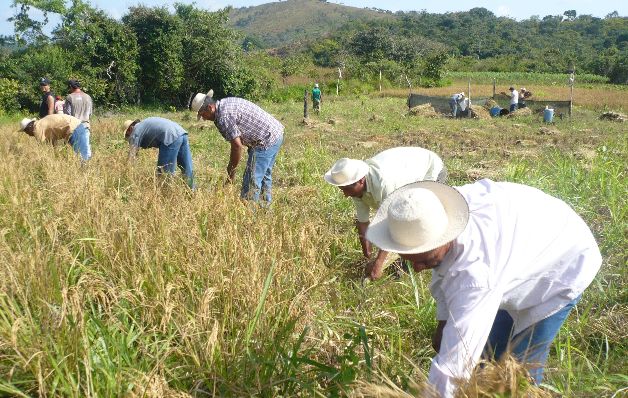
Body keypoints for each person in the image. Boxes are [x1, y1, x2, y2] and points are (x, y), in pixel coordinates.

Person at [365, 179, 602, 398]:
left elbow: (451, 371)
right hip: (522, 241)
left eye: (426, 260)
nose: (417, 269)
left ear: (445, 237)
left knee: (516, 377)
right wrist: (443, 322)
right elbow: (445, 271)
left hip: (563, 262)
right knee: (485, 360)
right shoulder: (436, 215)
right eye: (410, 260)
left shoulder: (475, 274)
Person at [324, 147, 446, 280]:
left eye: (347, 189)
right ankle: (402, 258)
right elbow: (363, 223)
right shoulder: (354, 186)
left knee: (417, 218)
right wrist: (367, 256)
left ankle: (412, 262)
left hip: (429, 169)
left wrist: (379, 263)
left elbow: (393, 225)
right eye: (342, 190)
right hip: (406, 169)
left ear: (360, 181)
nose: (346, 195)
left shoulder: (384, 184)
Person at [192, 90, 284, 204]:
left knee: (251, 180)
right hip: (275, 132)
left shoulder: (224, 116)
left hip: (265, 139)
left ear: (210, 108)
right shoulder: (224, 104)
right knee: (264, 175)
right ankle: (265, 209)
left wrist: (231, 174)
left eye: (202, 115)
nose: (204, 119)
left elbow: (237, 146)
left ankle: (249, 215)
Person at [123, 117, 194, 189]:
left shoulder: (135, 132)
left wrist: (126, 174)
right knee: (187, 168)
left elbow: (132, 156)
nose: (129, 137)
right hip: (181, 132)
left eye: (127, 135)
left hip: (169, 137)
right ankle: (192, 191)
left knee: (164, 172)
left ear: (130, 129)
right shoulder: (144, 124)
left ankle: (166, 194)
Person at [19, 114, 92, 162]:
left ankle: (86, 175)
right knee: (82, 156)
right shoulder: (40, 124)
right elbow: (52, 143)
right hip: (74, 127)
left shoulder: (37, 129)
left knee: (83, 158)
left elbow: (44, 151)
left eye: (26, 132)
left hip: (75, 128)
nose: (28, 134)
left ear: (29, 128)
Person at [64, 79, 93, 159]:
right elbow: (90, 113)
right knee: (86, 148)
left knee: (75, 150)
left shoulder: (69, 97)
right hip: (86, 125)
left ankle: (79, 168)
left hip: (74, 127)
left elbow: (67, 115)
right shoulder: (88, 97)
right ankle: (87, 167)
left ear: (70, 87)